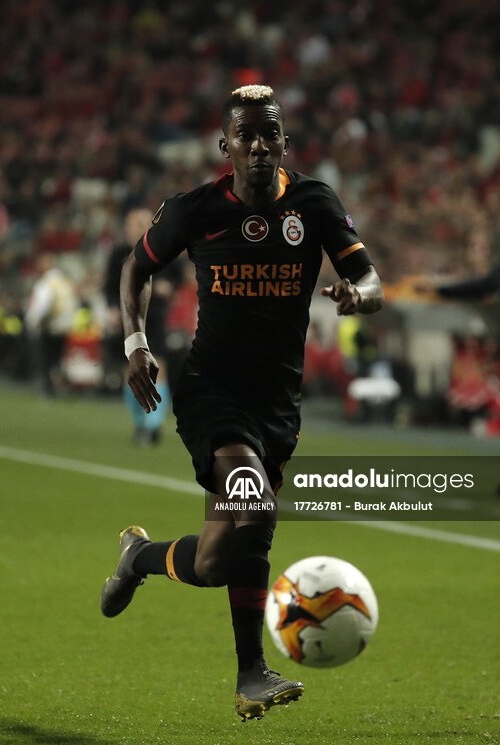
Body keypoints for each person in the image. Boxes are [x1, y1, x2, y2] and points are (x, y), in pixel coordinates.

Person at [100, 84, 383, 721]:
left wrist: (359, 295)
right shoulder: (195, 209)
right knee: (255, 507)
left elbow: (369, 278)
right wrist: (136, 343)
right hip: (211, 391)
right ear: (224, 145)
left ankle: (139, 557)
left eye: (269, 134)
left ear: (285, 142)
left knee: (214, 560)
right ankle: (251, 673)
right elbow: (135, 268)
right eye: (245, 135)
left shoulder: (314, 204)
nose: (258, 146)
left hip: (277, 402)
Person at [103, 208, 181, 444]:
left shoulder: (164, 249)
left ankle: (153, 425)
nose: (136, 228)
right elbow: (109, 286)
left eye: (141, 223)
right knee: (131, 370)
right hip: (128, 318)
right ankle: (139, 423)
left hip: (154, 316)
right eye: (132, 224)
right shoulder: (119, 253)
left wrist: (168, 287)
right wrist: (112, 307)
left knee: (159, 367)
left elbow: (177, 276)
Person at [24, 253, 78, 397]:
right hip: (64, 326)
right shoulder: (64, 280)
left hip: (50, 325)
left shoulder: (46, 282)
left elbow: (42, 306)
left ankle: (48, 389)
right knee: (57, 359)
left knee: (47, 359)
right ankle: (60, 386)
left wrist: (31, 322)